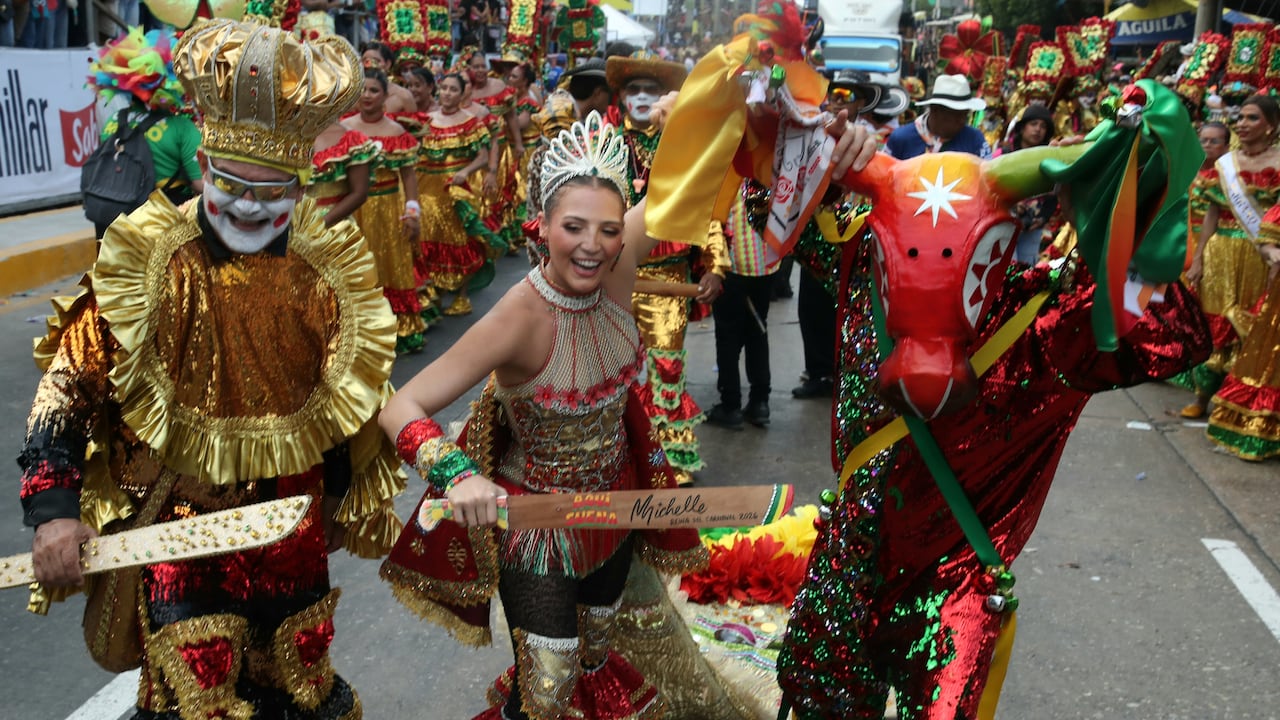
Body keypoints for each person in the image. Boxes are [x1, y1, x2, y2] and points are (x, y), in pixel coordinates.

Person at [19, 18, 403, 719]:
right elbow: (67, 387)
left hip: (291, 535)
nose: (250, 206)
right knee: (196, 696)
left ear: (301, 186)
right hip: (181, 536)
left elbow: (351, 401)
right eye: (232, 184)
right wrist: (53, 513)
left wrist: (343, 497)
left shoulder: (327, 275)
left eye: (272, 190)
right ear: (203, 168)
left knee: (300, 689)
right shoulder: (147, 263)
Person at [379, 111, 709, 720]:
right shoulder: (520, 315)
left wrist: (750, 101)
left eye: (608, 230)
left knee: (595, 659)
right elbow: (401, 405)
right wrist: (457, 474)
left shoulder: (618, 269)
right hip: (538, 529)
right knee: (548, 690)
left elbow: (690, 174)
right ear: (542, 225)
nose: (592, 245)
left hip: (616, 510)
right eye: (573, 227)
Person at [607, 48, 727, 481]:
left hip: (669, 279)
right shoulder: (605, 143)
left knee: (666, 368)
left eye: (651, 89)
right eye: (633, 88)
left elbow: (707, 209)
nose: (642, 96)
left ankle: (669, 459)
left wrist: (715, 265)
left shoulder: (683, 149)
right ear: (622, 97)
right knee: (611, 372)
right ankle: (615, 455)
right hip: (612, 277)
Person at [1184, 97, 1278, 419]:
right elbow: (1212, 213)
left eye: (1252, 118)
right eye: (1241, 117)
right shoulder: (1226, 165)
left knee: (1249, 324)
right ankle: (1201, 396)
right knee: (1213, 320)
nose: (1242, 124)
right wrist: (1198, 258)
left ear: (1271, 126)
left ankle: (1235, 402)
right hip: (1220, 251)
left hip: (1261, 255)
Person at [85, 27, 204, 238]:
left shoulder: (113, 122)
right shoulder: (182, 128)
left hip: (112, 226)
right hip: (157, 230)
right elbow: (202, 186)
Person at [343, 68, 426, 353]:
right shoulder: (345, 129)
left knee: (390, 266)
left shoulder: (397, 131)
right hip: (352, 210)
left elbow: (409, 176)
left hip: (388, 208)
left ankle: (398, 329)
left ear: (385, 96)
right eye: (363, 90)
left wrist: (412, 212)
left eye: (374, 90)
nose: (367, 96)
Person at [415, 72, 504, 317]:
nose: (447, 93)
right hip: (427, 190)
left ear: (462, 93)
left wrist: (465, 172)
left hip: (456, 190)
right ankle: (435, 291)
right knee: (429, 238)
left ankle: (462, 296)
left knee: (459, 240)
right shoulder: (426, 120)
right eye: (444, 88)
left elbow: (483, 156)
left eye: (453, 89)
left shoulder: (470, 122)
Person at [706, 180, 780, 430]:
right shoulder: (766, 166)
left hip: (733, 263)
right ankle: (760, 402)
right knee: (758, 331)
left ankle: (730, 405)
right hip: (766, 262)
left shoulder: (729, 169)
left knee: (728, 336)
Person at [1170, 121, 1230, 413]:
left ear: (1226, 145)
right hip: (1186, 243)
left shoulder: (1230, 174)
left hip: (1222, 250)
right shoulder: (1188, 170)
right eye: (1203, 140)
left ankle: (1215, 390)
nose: (1207, 145)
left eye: (1214, 141)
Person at [998, 104, 1058, 265]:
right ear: (1022, 128)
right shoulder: (1004, 154)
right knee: (1005, 268)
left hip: (1032, 228)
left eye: (1043, 126)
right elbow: (991, 186)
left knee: (1026, 272)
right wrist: (1011, 203)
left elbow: (1056, 191)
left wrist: (1044, 217)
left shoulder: (1049, 157)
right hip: (1004, 223)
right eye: (1033, 124)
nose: (1038, 129)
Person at [885, 73, 991, 160]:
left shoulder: (975, 140)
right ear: (935, 110)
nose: (962, 121)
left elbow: (987, 175)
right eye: (957, 115)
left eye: (965, 114)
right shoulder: (901, 139)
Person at [308, 120, 375, 227]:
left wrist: (321, 223)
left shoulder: (351, 140)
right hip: (290, 224)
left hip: (336, 228)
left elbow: (359, 193)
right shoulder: (288, 136)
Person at [359, 40, 417, 113]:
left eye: (375, 61)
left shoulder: (404, 96)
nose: (369, 65)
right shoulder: (352, 96)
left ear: (387, 64)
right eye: (365, 61)